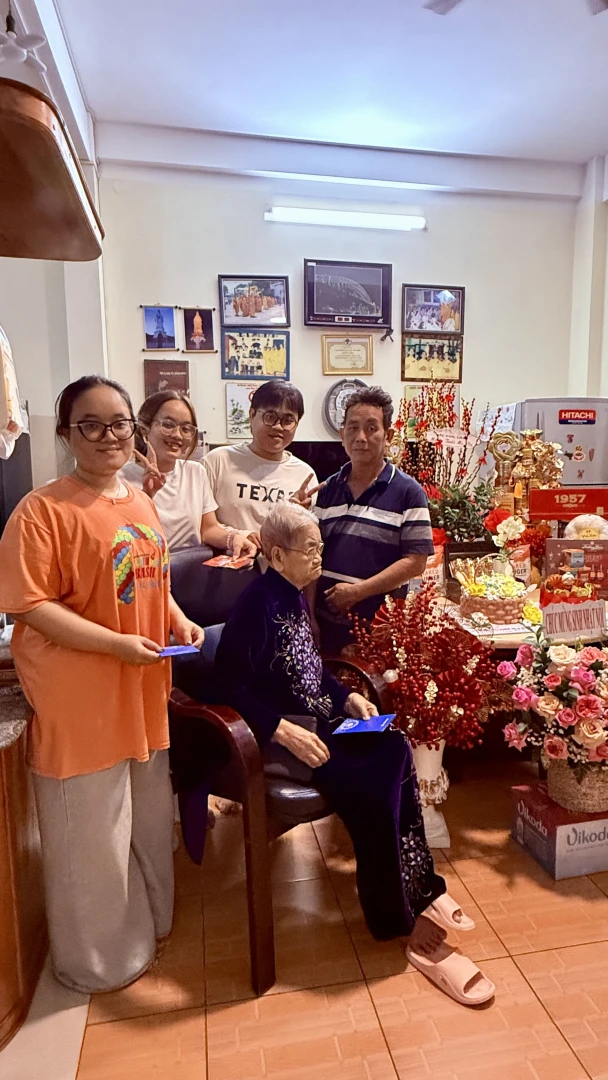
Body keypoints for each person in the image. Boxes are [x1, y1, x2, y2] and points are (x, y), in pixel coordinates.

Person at [213, 504, 495, 1007]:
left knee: (393, 745)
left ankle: (419, 884)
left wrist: (346, 698)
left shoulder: (294, 595)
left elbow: (311, 667)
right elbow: (229, 684)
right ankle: (396, 920)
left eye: (320, 546)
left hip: (324, 721)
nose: (320, 556)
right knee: (371, 788)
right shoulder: (255, 604)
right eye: (311, 549)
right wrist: (280, 730)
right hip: (293, 734)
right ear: (277, 554)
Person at [0, 375, 205, 994]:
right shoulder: (42, 511)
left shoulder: (138, 501)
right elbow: (30, 606)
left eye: (119, 423)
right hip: (81, 699)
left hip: (141, 695)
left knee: (144, 820)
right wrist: (116, 645)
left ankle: (151, 926)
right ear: (67, 434)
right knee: (89, 838)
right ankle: (99, 961)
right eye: (91, 424)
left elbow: (152, 579)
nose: (109, 436)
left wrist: (178, 618)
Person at [313, 386, 435, 655]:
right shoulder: (327, 489)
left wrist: (357, 592)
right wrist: (309, 616)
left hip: (380, 633)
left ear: (388, 436)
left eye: (371, 428)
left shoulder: (409, 492)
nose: (360, 437)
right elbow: (311, 558)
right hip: (325, 628)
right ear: (342, 434)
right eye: (353, 428)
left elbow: (416, 562)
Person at [121, 390, 257, 557]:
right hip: (146, 568)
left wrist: (233, 538)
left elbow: (208, 529)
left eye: (186, 429)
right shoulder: (120, 478)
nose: (177, 435)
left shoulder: (195, 472)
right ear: (145, 428)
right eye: (168, 425)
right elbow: (121, 537)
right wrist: (146, 496)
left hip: (190, 567)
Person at [203, 380, 321, 543]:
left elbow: (305, 539)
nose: (278, 427)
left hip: (279, 560)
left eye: (288, 420)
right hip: (227, 558)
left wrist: (297, 519)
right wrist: (240, 536)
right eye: (270, 417)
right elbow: (201, 525)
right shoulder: (217, 461)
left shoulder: (304, 475)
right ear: (252, 415)